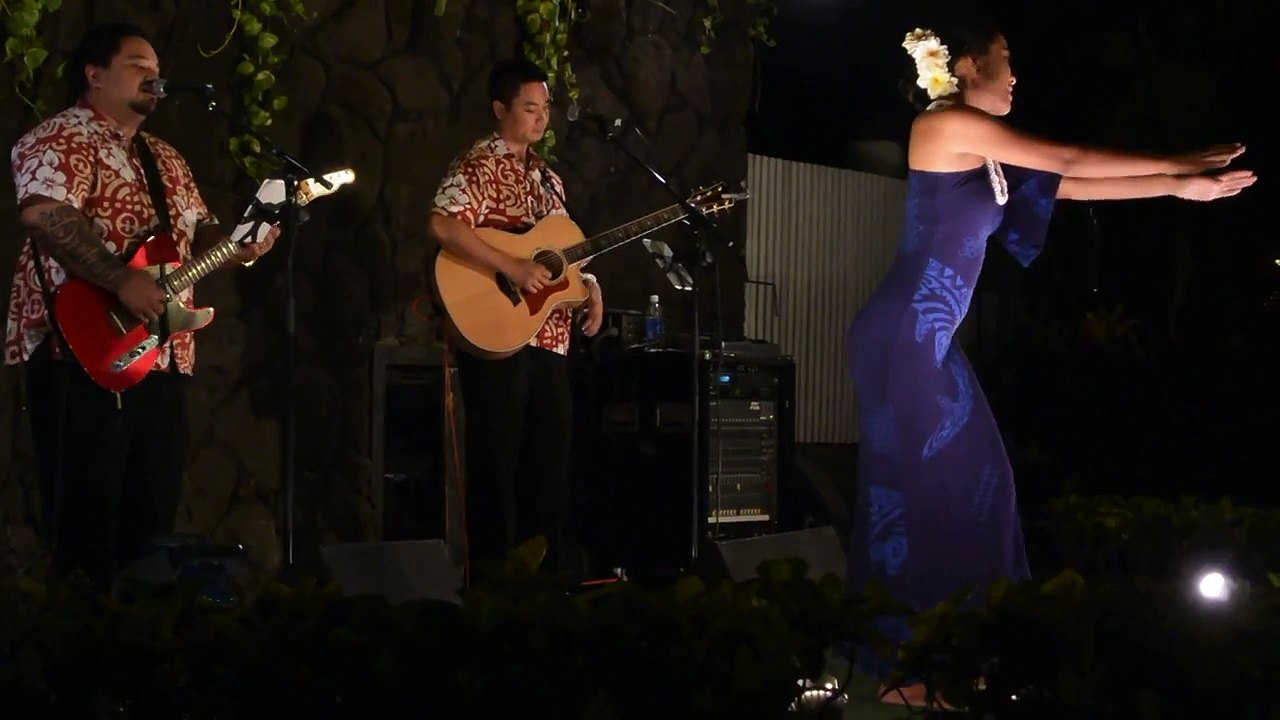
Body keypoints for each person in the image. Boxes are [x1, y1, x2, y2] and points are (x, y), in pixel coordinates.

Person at [843, 22, 1255, 705]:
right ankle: (902, 670)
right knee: (915, 496)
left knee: (986, 483)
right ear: (966, 64)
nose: (1014, 77)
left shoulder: (984, 154)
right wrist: (1178, 161)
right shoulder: (943, 126)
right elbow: (1066, 155)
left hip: (928, 344)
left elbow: (1069, 183)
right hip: (902, 341)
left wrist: (1176, 185)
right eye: (1004, 63)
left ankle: (958, 650)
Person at [6, 23, 278, 590]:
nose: (154, 76)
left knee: (152, 528)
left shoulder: (166, 157)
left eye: (156, 68)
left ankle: (142, 632)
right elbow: (45, 214)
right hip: (78, 350)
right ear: (95, 75)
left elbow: (200, 236)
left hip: (163, 355)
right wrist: (118, 280)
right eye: (137, 65)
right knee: (85, 529)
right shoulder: (59, 137)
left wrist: (242, 246)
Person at [427, 58, 604, 577]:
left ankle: (544, 584)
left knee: (548, 468)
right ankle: (494, 587)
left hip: (549, 337)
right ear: (500, 109)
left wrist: (591, 287)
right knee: (496, 467)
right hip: (496, 331)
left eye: (545, 108)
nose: (541, 118)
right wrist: (510, 266)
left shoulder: (550, 180)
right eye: (530, 108)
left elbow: (564, 254)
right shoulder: (478, 164)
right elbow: (443, 225)